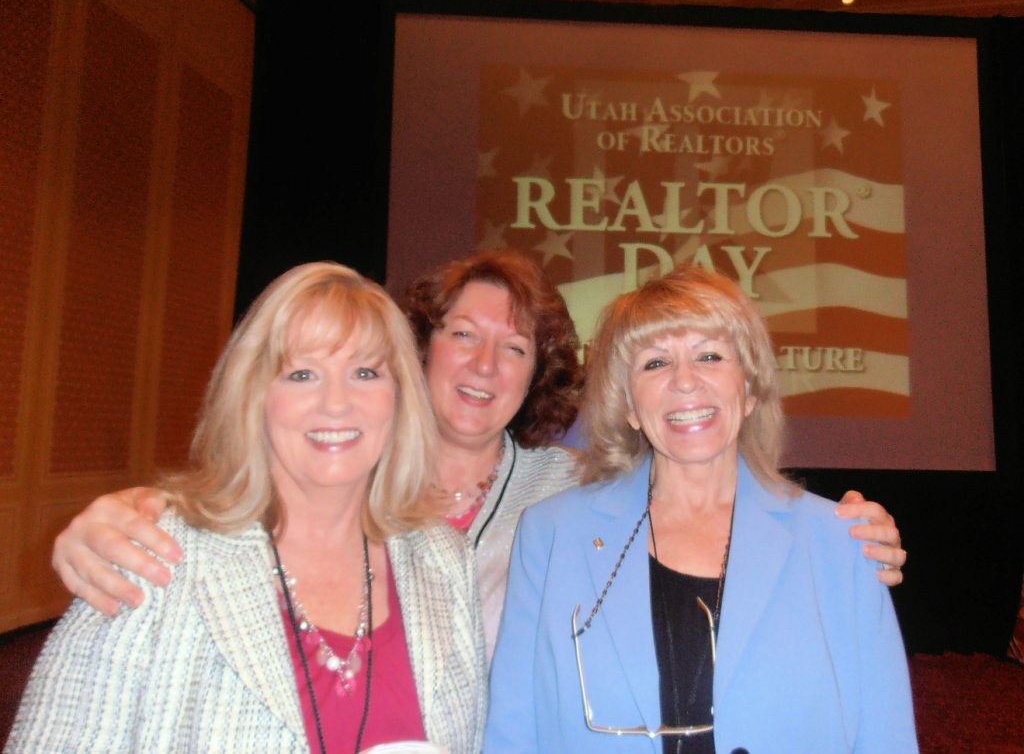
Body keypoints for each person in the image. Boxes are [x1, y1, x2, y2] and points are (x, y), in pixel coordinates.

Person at [50, 251, 906, 660]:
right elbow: (239, 491)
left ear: (541, 376)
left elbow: (699, 476)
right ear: (418, 346)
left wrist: (838, 528)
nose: (485, 364)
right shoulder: (343, 468)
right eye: (462, 335)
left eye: (515, 348)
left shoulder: (571, 490)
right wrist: (125, 511)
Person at [10, 263, 486, 753]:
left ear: (400, 396)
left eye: (365, 372)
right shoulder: (154, 557)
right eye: (302, 374)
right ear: (253, 395)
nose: (337, 403)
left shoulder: (444, 562)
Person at [485, 265, 917, 753]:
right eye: (654, 363)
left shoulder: (841, 541)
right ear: (628, 405)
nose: (685, 382)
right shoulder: (551, 534)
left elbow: (886, 736)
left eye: (710, 355)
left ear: (750, 389)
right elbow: (514, 730)